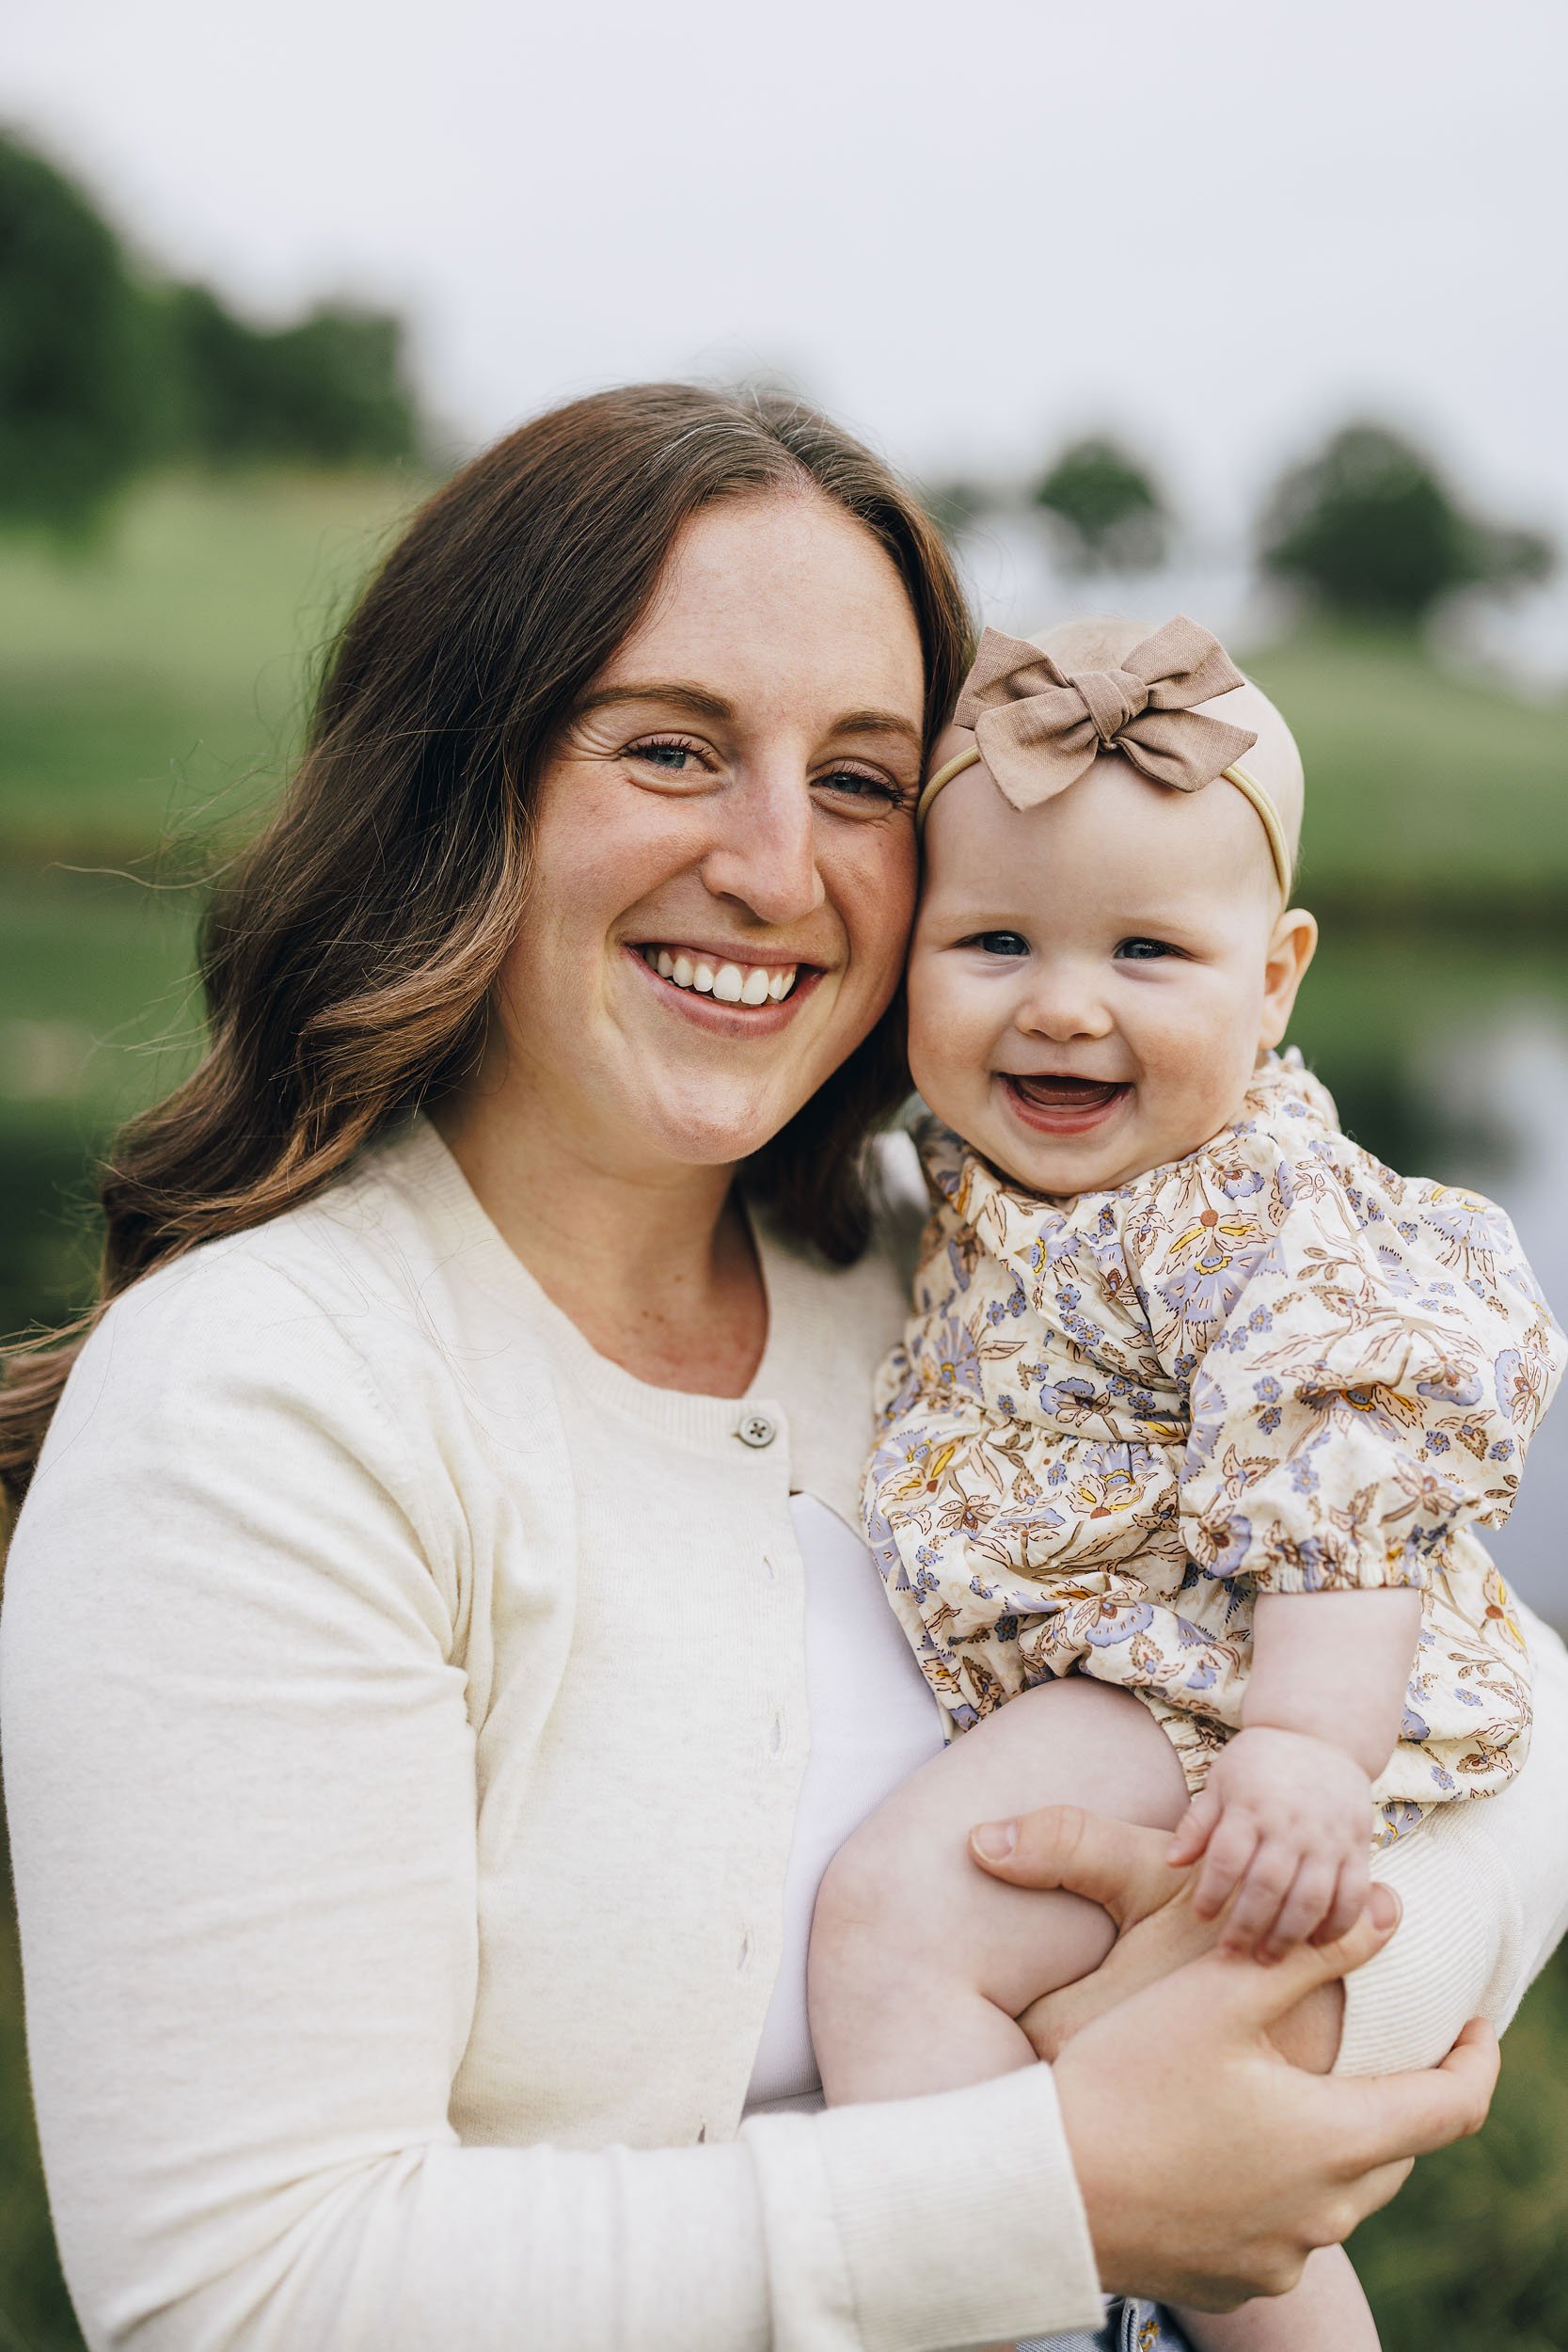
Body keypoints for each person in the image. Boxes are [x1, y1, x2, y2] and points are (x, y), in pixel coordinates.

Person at [0, 392, 1503, 2352]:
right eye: (673, 748)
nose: (780, 864)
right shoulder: (266, 1401)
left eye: (865, 778)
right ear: (462, 789)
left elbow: (1497, 1700)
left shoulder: (954, 1259)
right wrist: (1067, 2184)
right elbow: (245, 2296)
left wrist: (1275, 1997)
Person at [813, 614, 1568, 2350]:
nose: (1063, 1004)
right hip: (1146, 1674)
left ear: (1278, 977)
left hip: (1214, 1675)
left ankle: (990, 2311)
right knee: (1253, 2229)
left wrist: (1307, 1751)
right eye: (992, 939)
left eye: (1149, 950)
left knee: (897, 1922)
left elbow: (1345, 1482)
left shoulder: (1250, 1210)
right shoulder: (979, 1174)